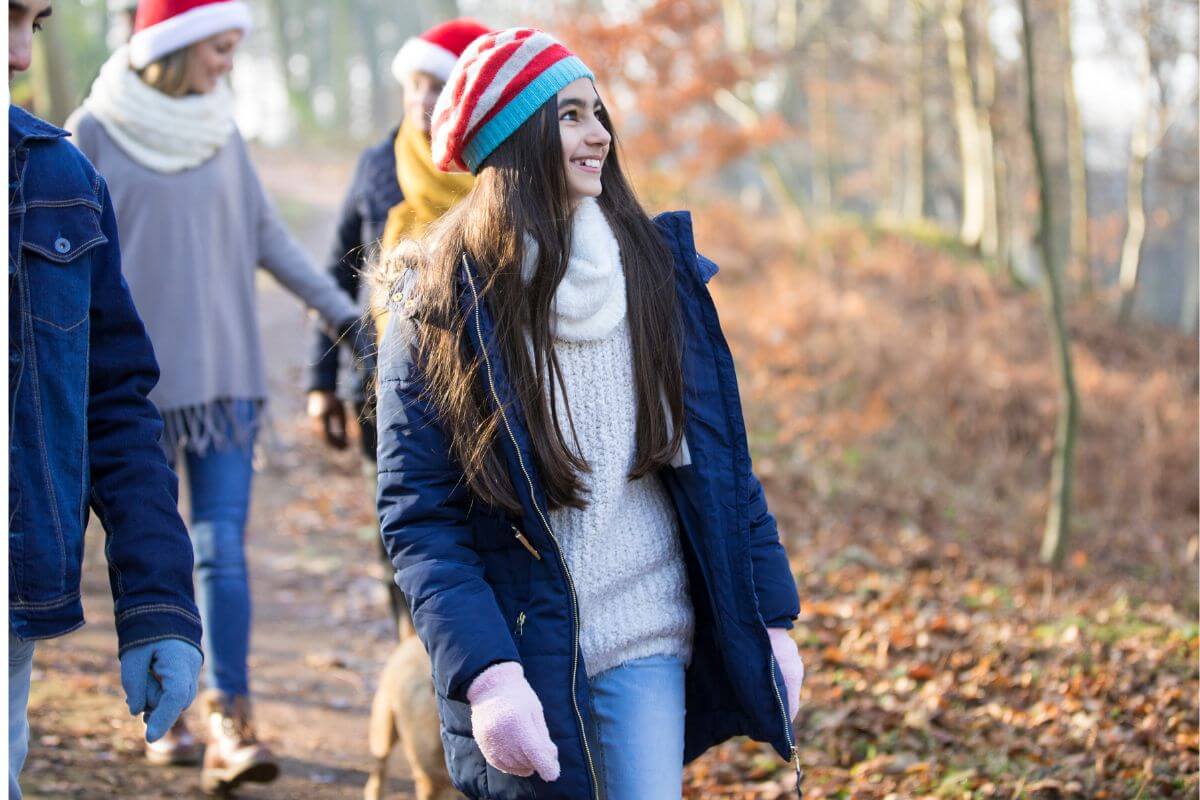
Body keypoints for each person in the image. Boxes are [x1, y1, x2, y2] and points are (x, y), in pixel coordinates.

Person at [374, 27, 807, 800]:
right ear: (515, 136)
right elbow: (420, 518)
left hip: (647, 626)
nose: (599, 133)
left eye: (597, 112)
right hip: (526, 646)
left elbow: (721, 468)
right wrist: (487, 675)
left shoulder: (655, 268)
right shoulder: (438, 303)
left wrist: (771, 621)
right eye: (571, 114)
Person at [66, 0, 369, 792]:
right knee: (144, 551)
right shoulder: (92, 130)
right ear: (179, 46)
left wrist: (349, 319)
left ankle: (232, 714)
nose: (230, 64)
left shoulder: (221, 131)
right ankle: (165, 712)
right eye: (222, 48)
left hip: (226, 383)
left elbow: (269, 237)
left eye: (237, 49)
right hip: (129, 390)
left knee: (219, 549)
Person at [8, 3, 203, 799]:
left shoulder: (55, 179)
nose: (21, 55)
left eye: (37, 23)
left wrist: (158, 601)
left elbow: (114, 400)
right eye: (6, 18)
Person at [306, 17, 489, 627]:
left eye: (437, 87)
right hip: (382, 384)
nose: (421, 102)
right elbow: (334, 278)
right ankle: (415, 665)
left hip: (481, 389)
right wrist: (321, 381)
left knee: (474, 538)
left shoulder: (495, 173)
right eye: (413, 86)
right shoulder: (377, 165)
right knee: (404, 537)